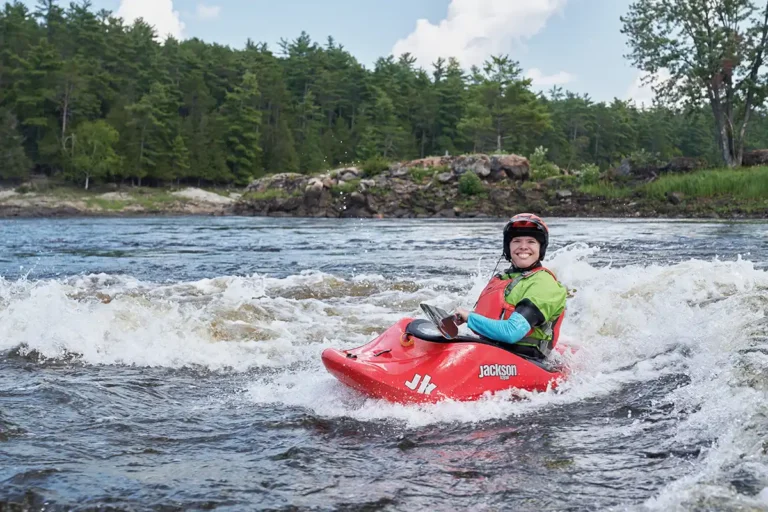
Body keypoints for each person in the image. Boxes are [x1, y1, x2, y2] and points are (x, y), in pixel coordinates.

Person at [454, 213, 567, 359]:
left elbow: (512, 332)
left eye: (531, 242)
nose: (523, 247)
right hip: (491, 352)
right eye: (517, 241)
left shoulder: (544, 284)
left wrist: (469, 318)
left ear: (541, 248)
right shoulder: (503, 278)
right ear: (508, 247)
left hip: (525, 361)